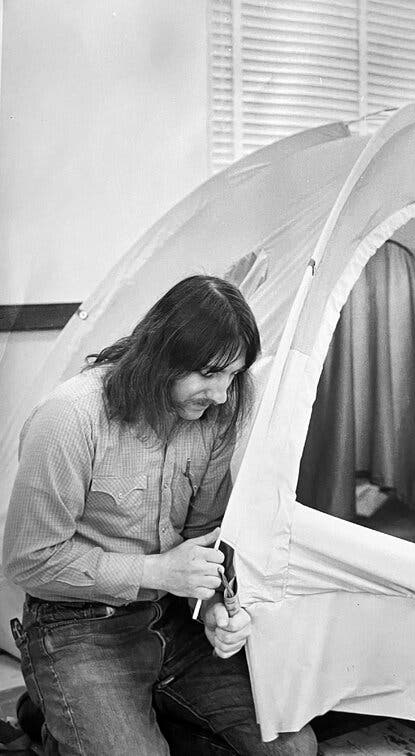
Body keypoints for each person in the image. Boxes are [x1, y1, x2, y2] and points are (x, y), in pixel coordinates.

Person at [3, 275, 317, 755]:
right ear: (162, 354)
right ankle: (61, 711)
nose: (221, 393)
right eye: (210, 374)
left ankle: (86, 717)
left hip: (172, 618)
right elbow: (28, 560)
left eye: (232, 375)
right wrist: (155, 571)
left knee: (292, 747)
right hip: (75, 627)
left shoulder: (217, 413)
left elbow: (203, 541)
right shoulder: (71, 417)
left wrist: (213, 610)